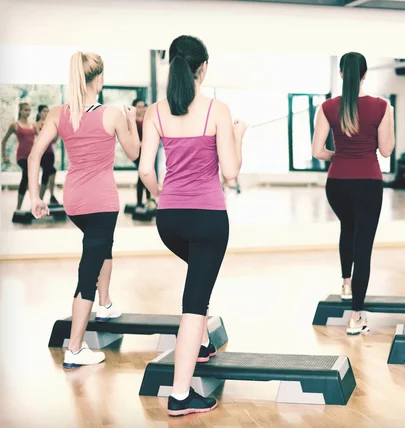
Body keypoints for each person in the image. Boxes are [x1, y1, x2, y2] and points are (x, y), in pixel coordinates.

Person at [139, 35, 245, 416]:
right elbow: (231, 173)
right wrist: (239, 135)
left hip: (169, 221)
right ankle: (180, 394)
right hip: (208, 220)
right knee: (194, 304)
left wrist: (159, 196)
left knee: (198, 284)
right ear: (203, 68)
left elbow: (145, 169)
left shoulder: (155, 111)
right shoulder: (217, 109)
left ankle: (200, 345)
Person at [28, 51, 141, 368]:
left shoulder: (58, 113)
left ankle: (105, 302)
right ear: (100, 80)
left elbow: (35, 156)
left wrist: (36, 198)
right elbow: (134, 153)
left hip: (74, 201)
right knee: (88, 270)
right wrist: (131, 121)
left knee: (102, 245)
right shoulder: (112, 114)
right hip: (102, 202)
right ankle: (75, 349)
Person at [312, 52, 395, 335]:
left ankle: (346, 284)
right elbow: (386, 151)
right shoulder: (382, 107)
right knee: (364, 246)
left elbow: (317, 151)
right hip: (368, 183)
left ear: (340, 74)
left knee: (347, 228)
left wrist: (340, 155)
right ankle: (356, 315)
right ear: (364, 74)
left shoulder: (327, 107)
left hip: (337, 183)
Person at [1, 102, 37, 211]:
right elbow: (4, 141)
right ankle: (18, 207)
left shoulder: (33, 125)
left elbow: (41, 138)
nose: (28, 112)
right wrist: (4, 156)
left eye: (29, 110)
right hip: (21, 156)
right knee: (26, 174)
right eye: (25, 110)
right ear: (20, 111)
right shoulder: (15, 125)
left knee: (30, 179)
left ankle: (33, 206)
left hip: (32, 156)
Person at [131, 98, 155, 209]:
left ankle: (148, 199)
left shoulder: (147, 119)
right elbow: (130, 138)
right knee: (142, 175)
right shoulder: (132, 122)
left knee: (147, 174)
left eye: (143, 106)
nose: (142, 109)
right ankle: (140, 202)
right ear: (135, 108)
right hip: (137, 152)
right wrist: (141, 143)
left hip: (147, 151)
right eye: (139, 107)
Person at [36, 104, 61, 205]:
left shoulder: (51, 124)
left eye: (48, 111)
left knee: (52, 171)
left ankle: (51, 196)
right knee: (47, 174)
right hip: (42, 153)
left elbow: (53, 140)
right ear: (39, 113)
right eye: (44, 111)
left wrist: (58, 131)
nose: (46, 113)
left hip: (50, 153)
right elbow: (41, 137)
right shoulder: (36, 124)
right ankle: (40, 199)